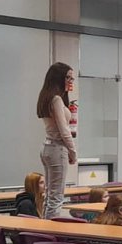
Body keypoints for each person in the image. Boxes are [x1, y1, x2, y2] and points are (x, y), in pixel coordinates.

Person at [36, 62, 77, 218]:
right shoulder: (56, 99)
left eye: (72, 78)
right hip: (57, 148)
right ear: (58, 77)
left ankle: (46, 230)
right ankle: (52, 235)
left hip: (47, 147)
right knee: (56, 197)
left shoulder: (47, 97)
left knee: (50, 196)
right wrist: (73, 152)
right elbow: (64, 131)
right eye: (68, 77)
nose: (71, 81)